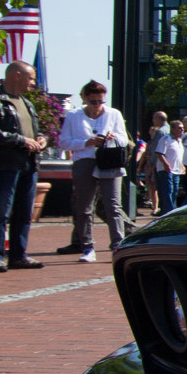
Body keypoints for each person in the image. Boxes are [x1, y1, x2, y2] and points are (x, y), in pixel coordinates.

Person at [0, 60, 48, 272]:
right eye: (30, 78)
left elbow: (31, 132)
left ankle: (19, 255)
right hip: (4, 165)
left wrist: (40, 139)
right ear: (16, 75)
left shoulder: (27, 103)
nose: (33, 83)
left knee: (24, 213)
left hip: (28, 164)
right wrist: (22, 141)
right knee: (0, 212)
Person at [56, 79, 128, 260]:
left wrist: (112, 138)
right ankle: (87, 247)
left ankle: (117, 246)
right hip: (84, 160)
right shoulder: (74, 116)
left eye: (100, 101)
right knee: (84, 207)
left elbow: (124, 140)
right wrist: (85, 143)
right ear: (85, 99)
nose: (97, 106)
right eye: (93, 101)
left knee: (113, 205)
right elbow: (63, 142)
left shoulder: (113, 114)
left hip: (108, 160)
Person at [146, 111, 182, 214]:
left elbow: (154, 150)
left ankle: (170, 212)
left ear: (159, 119)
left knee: (171, 192)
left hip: (174, 170)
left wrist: (152, 163)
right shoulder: (166, 137)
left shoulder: (162, 132)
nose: (182, 130)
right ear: (173, 129)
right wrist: (165, 164)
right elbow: (159, 152)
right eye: (180, 128)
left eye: (154, 118)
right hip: (166, 169)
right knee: (168, 192)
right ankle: (169, 213)